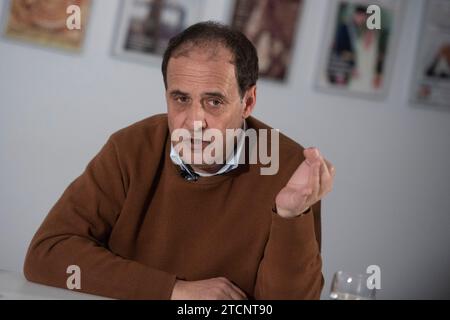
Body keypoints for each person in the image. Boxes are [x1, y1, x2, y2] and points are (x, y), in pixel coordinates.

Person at [23, 21, 335, 300]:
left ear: (247, 102)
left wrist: (291, 216)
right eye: (181, 99)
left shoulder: (286, 166)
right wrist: (173, 290)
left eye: (214, 101)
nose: (194, 121)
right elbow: (47, 255)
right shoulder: (131, 148)